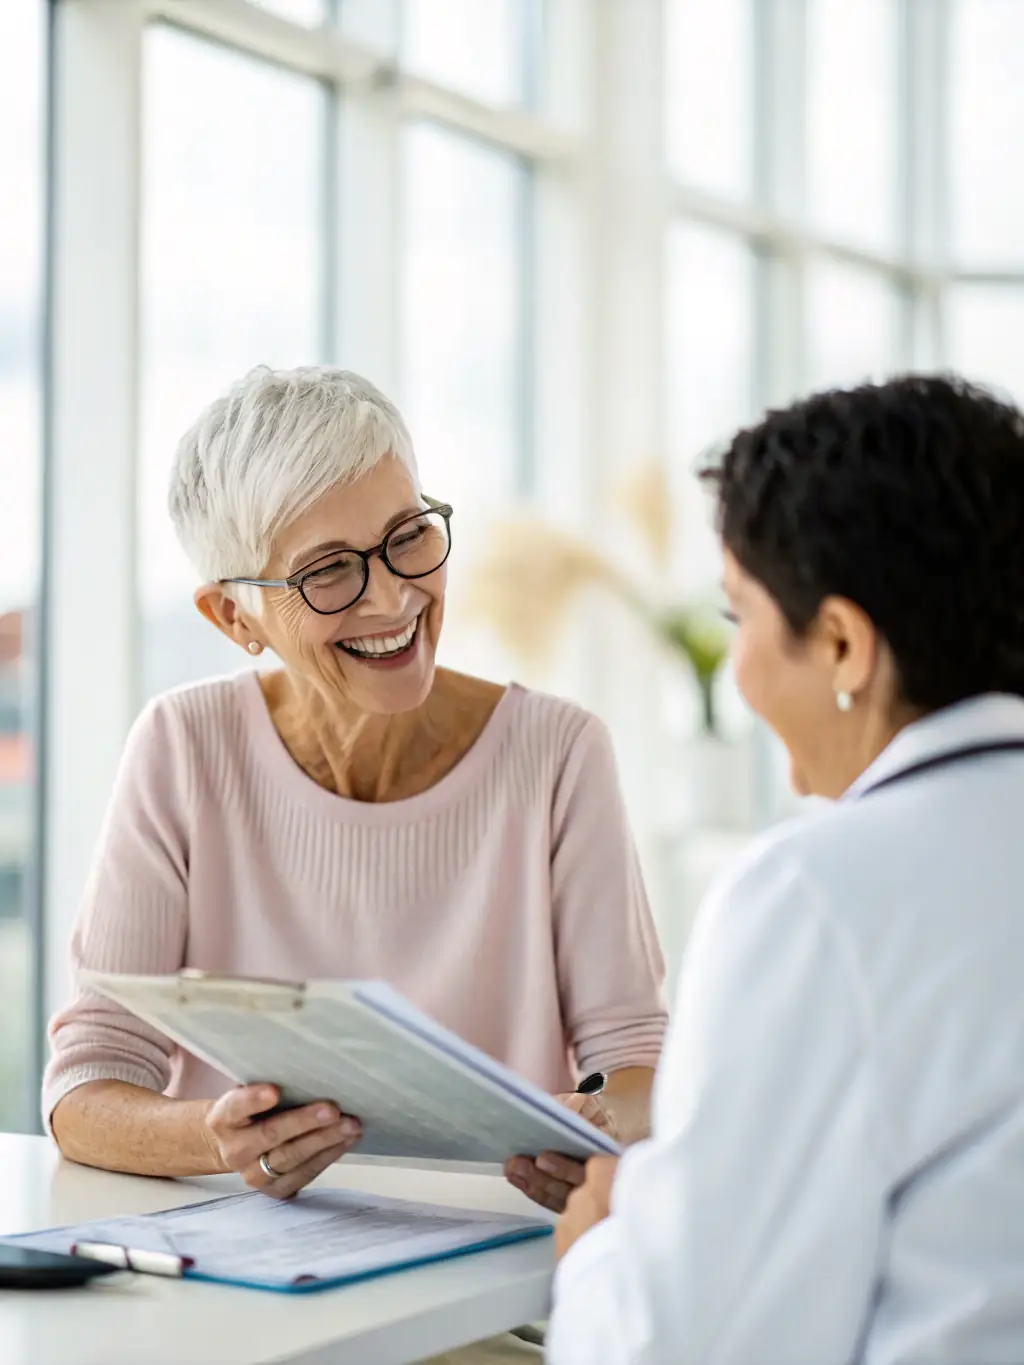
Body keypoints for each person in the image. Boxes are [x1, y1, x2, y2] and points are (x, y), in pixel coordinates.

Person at [44, 366, 666, 1224]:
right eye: (328, 571)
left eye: (407, 535)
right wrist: (216, 1137)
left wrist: (604, 1132)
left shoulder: (559, 754)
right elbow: (88, 1087)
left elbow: (632, 1058)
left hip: (488, 1282)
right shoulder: (184, 747)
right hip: (242, 1283)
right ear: (234, 618)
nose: (393, 595)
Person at [547, 374, 1024, 1365]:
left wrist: (598, 1252)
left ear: (843, 644)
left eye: (739, 620)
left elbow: (683, 1349)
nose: (740, 671)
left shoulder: (816, 896)